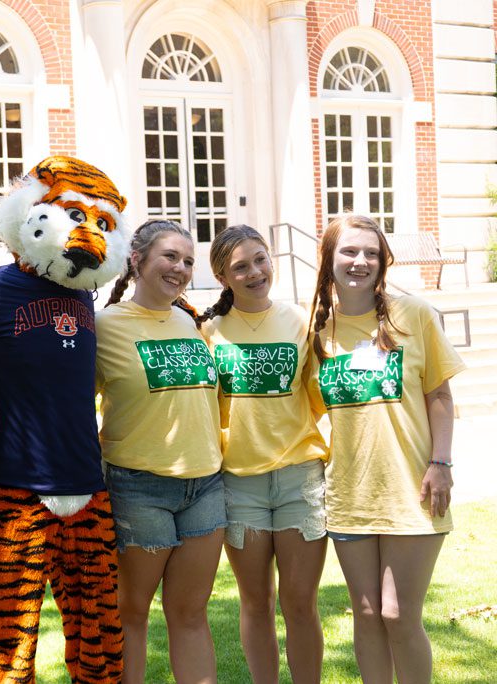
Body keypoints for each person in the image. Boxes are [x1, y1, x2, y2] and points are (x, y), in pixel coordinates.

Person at [310, 214, 463, 684]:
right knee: (367, 611)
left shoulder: (412, 315)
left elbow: (439, 396)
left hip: (413, 490)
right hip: (349, 494)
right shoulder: (316, 331)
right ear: (329, 259)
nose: (360, 262)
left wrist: (441, 462)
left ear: (383, 261)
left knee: (399, 615)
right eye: (349, 252)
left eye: (371, 253)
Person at [198, 225, 328, 683]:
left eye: (260, 259)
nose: (255, 272)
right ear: (223, 276)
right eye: (240, 267)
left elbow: (319, 394)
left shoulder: (301, 321)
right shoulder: (207, 331)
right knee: (256, 602)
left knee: (300, 603)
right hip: (239, 485)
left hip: (299, 478)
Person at [97, 219, 226, 683]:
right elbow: (74, 406)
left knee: (191, 613)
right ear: (137, 260)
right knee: (131, 612)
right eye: (170, 256)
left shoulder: (189, 320)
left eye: (188, 261)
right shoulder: (105, 326)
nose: (180, 268)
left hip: (205, 484)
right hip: (139, 487)